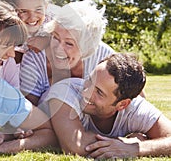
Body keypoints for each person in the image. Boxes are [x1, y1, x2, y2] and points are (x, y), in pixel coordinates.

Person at [43, 53, 171, 159]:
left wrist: (137, 148)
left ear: (122, 104)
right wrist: (127, 142)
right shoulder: (64, 91)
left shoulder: (135, 108)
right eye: (90, 80)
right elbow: (75, 145)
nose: (86, 92)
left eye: (99, 92)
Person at [20, 0, 115, 105]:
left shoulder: (104, 57)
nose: (58, 49)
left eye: (69, 43)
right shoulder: (34, 59)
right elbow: (31, 111)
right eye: (55, 37)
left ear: (87, 46)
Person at [0, 0, 51, 89]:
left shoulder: (50, 23)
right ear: (12, 11)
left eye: (38, 10)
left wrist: (49, 40)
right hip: (16, 81)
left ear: (46, 7)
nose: (32, 17)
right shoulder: (6, 31)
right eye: (24, 11)